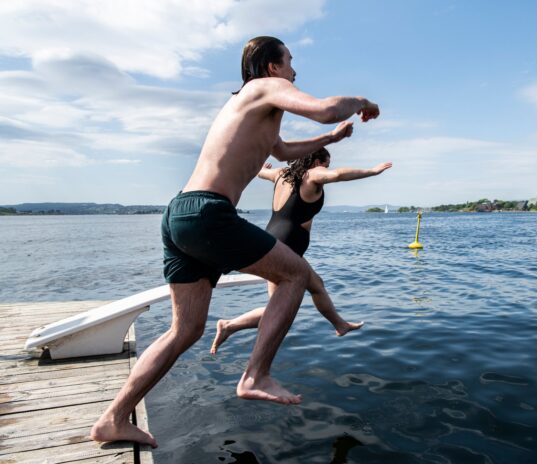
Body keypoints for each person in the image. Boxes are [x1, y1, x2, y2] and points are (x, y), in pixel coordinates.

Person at [90, 35, 379, 448]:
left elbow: (281, 151)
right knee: (296, 276)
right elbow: (325, 109)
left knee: (185, 329)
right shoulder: (263, 87)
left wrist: (329, 141)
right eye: (290, 63)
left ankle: (113, 418)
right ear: (271, 66)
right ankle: (256, 374)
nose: (295, 72)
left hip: (181, 214)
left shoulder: (252, 109)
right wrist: (364, 101)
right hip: (209, 212)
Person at [210, 149, 391, 354]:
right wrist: (372, 171)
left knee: (313, 287)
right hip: (287, 245)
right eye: (325, 164)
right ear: (315, 162)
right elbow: (338, 175)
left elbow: (259, 172)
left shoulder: (281, 174)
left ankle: (339, 324)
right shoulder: (312, 175)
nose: (327, 169)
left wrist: (262, 168)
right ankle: (231, 328)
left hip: (273, 241)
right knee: (281, 308)